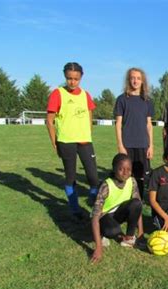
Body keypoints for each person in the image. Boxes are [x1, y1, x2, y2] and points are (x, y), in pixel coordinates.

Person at [46, 62, 99, 219]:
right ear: (65, 76)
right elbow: (49, 120)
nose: (72, 82)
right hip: (66, 142)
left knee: (93, 177)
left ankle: (93, 203)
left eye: (76, 79)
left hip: (85, 141)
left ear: (81, 77)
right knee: (70, 177)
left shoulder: (85, 94)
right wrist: (54, 141)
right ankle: (75, 209)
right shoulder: (57, 93)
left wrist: (88, 131)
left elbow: (89, 113)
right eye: (69, 78)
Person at [91, 154, 145, 263]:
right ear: (114, 169)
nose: (125, 172)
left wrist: (141, 234)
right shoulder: (106, 185)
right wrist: (98, 247)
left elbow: (138, 208)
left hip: (117, 214)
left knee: (136, 203)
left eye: (128, 169)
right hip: (104, 217)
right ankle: (102, 235)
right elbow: (95, 217)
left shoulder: (132, 181)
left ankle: (129, 238)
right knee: (113, 231)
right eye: (121, 169)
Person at [114, 67, 154, 199]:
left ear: (142, 81)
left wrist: (151, 145)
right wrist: (120, 145)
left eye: (138, 78)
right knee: (125, 174)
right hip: (127, 144)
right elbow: (118, 123)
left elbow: (149, 125)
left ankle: (138, 200)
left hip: (143, 144)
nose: (135, 81)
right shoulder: (122, 99)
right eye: (132, 78)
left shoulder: (147, 101)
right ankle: (124, 200)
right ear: (128, 80)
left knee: (141, 176)